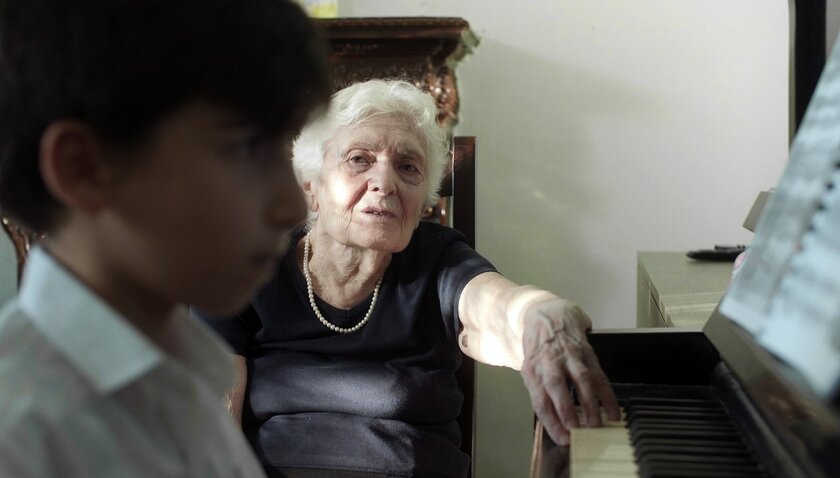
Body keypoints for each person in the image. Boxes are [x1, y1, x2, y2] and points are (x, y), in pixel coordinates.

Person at [199, 79, 620, 478]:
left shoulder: (438, 261)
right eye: (358, 159)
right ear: (311, 187)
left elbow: (495, 310)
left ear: (422, 205)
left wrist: (540, 315)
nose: (384, 183)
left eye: (407, 167)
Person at [0, 0, 331, 476]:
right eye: (245, 147)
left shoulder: (186, 380)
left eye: (286, 149)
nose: (294, 206)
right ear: (83, 168)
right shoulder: (23, 436)